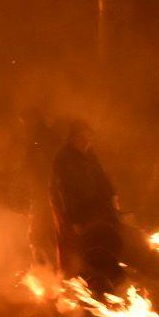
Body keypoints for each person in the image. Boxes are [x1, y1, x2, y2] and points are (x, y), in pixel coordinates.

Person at [50, 121, 123, 295]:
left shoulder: (88, 153)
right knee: (72, 245)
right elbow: (65, 191)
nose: (87, 142)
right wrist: (74, 219)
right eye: (82, 138)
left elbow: (101, 175)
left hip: (91, 205)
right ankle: (72, 284)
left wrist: (112, 195)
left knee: (98, 240)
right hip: (70, 208)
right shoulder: (64, 159)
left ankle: (101, 279)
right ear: (73, 138)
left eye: (89, 138)